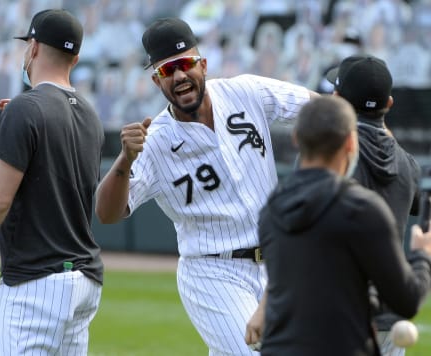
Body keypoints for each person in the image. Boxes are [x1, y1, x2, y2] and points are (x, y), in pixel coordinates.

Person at [95, 17, 318, 355]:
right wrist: (125, 159)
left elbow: (321, 108)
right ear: (157, 81)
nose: (180, 75)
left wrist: (372, 127)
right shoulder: (154, 141)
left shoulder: (244, 91)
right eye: (168, 70)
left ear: (203, 64)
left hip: (276, 262)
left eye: (185, 64)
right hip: (213, 270)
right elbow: (107, 213)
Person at [0, 9, 104, 355]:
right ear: (75, 58)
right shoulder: (90, 115)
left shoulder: (26, 108)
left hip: (37, 282)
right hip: (84, 279)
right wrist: (20, 117)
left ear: (33, 48)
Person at [255, 95, 431, 356]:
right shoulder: (363, 209)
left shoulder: (270, 211)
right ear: (350, 143)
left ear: (296, 139)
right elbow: (406, 300)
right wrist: (421, 254)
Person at [326, 55, 422, 356]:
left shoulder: (330, 155)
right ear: (389, 104)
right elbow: (417, 203)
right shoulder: (408, 165)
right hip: (390, 312)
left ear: (338, 99)